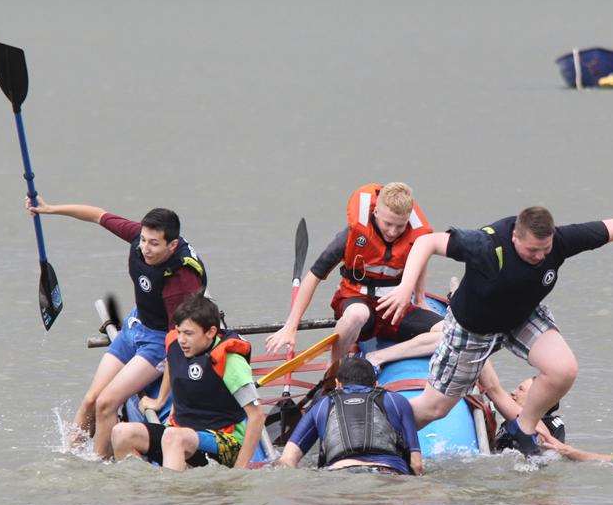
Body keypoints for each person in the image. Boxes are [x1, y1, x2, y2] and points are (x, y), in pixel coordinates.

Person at [376, 206, 613, 456]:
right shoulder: (486, 244)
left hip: (521, 316)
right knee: (434, 409)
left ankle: (523, 428)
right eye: (531, 251)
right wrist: (405, 288)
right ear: (515, 238)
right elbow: (426, 242)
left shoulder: (559, 242)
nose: (539, 257)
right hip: (473, 327)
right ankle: (378, 429)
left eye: (544, 250)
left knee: (563, 370)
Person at [26, 197, 206, 458]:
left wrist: (160, 399)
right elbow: (97, 215)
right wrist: (50, 209)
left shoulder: (181, 281)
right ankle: (70, 455)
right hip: (135, 325)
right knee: (90, 400)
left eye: (154, 244)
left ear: (173, 245)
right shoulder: (140, 237)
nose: (146, 248)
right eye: (144, 240)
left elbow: (175, 344)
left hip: (158, 342)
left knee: (106, 403)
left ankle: (99, 466)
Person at [264, 182, 443, 367]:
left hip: (394, 307)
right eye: (388, 223)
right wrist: (290, 327)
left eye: (400, 226)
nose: (393, 232)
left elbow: (421, 262)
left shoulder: (417, 237)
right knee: (357, 314)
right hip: (357, 299)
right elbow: (313, 276)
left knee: (449, 333)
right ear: (376, 213)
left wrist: (420, 300)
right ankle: (333, 370)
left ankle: (377, 357)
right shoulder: (351, 236)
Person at [110, 293, 266, 471]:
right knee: (120, 433)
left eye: (189, 334)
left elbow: (257, 416)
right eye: (179, 331)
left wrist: (241, 468)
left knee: (173, 438)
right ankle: (138, 494)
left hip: (223, 440)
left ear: (210, 332)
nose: (182, 340)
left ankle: (175, 496)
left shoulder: (230, 361)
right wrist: (160, 400)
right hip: (179, 433)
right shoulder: (175, 344)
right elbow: (172, 364)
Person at [276, 357, 423, 475]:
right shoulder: (397, 401)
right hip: (387, 472)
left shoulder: (321, 405)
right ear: (376, 384)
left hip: (339, 474)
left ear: (338, 384)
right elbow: (416, 463)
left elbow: (287, 460)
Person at [476, 362, 565, 450]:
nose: (513, 392)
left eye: (521, 389)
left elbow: (493, 389)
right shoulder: (513, 422)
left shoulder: (539, 427)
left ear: (537, 400)